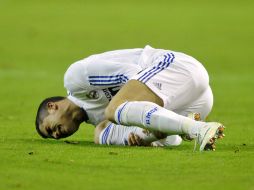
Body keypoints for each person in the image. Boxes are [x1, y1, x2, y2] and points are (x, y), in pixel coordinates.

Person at [35, 45, 225, 151]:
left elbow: (133, 73)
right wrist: (143, 135)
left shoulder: (75, 79)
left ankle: (197, 129)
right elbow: (173, 141)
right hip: (196, 103)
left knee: (114, 110)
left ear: (52, 107)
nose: (56, 135)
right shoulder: (97, 122)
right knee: (102, 133)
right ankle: (188, 125)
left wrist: (128, 108)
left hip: (175, 67)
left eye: (50, 129)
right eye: (52, 137)